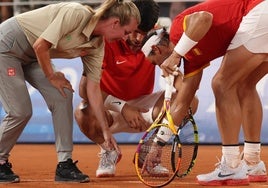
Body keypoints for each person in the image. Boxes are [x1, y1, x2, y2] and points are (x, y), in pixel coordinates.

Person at [0, 0, 140, 183]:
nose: (125, 38)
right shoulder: (76, 13)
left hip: (34, 57)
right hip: (8, 47)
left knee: (63, 95)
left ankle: (64, 164)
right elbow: (40, 45)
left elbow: (93, 89)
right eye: (126, 32)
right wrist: (52, 76)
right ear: (115, 23)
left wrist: (106, 133)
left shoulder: (97, 46)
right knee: (20, 111)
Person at [142, 0, 268, 186]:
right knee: (245, 86)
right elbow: (182, 103)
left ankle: (231, 166)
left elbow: (204, 18)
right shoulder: (192, 59)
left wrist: (176, 55)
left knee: (221, 84)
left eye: (155, 62)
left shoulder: (178, 27)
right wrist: (158, 143)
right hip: (262, 15)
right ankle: (252, 161)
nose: (160, 67)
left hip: (259, 13)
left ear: (156, 49)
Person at [74, 1, 199, 178]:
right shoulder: (106, 37)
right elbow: (84, 90)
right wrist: (123, 106)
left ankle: (149, 152)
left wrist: (175, 73)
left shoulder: (159, 38)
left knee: (190, 101)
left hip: (145, 110)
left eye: (143, 33)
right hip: (109, 109)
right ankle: (109, 150)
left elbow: (183, 88)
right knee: (83, 112)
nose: (139, 39)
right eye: (133, 32)